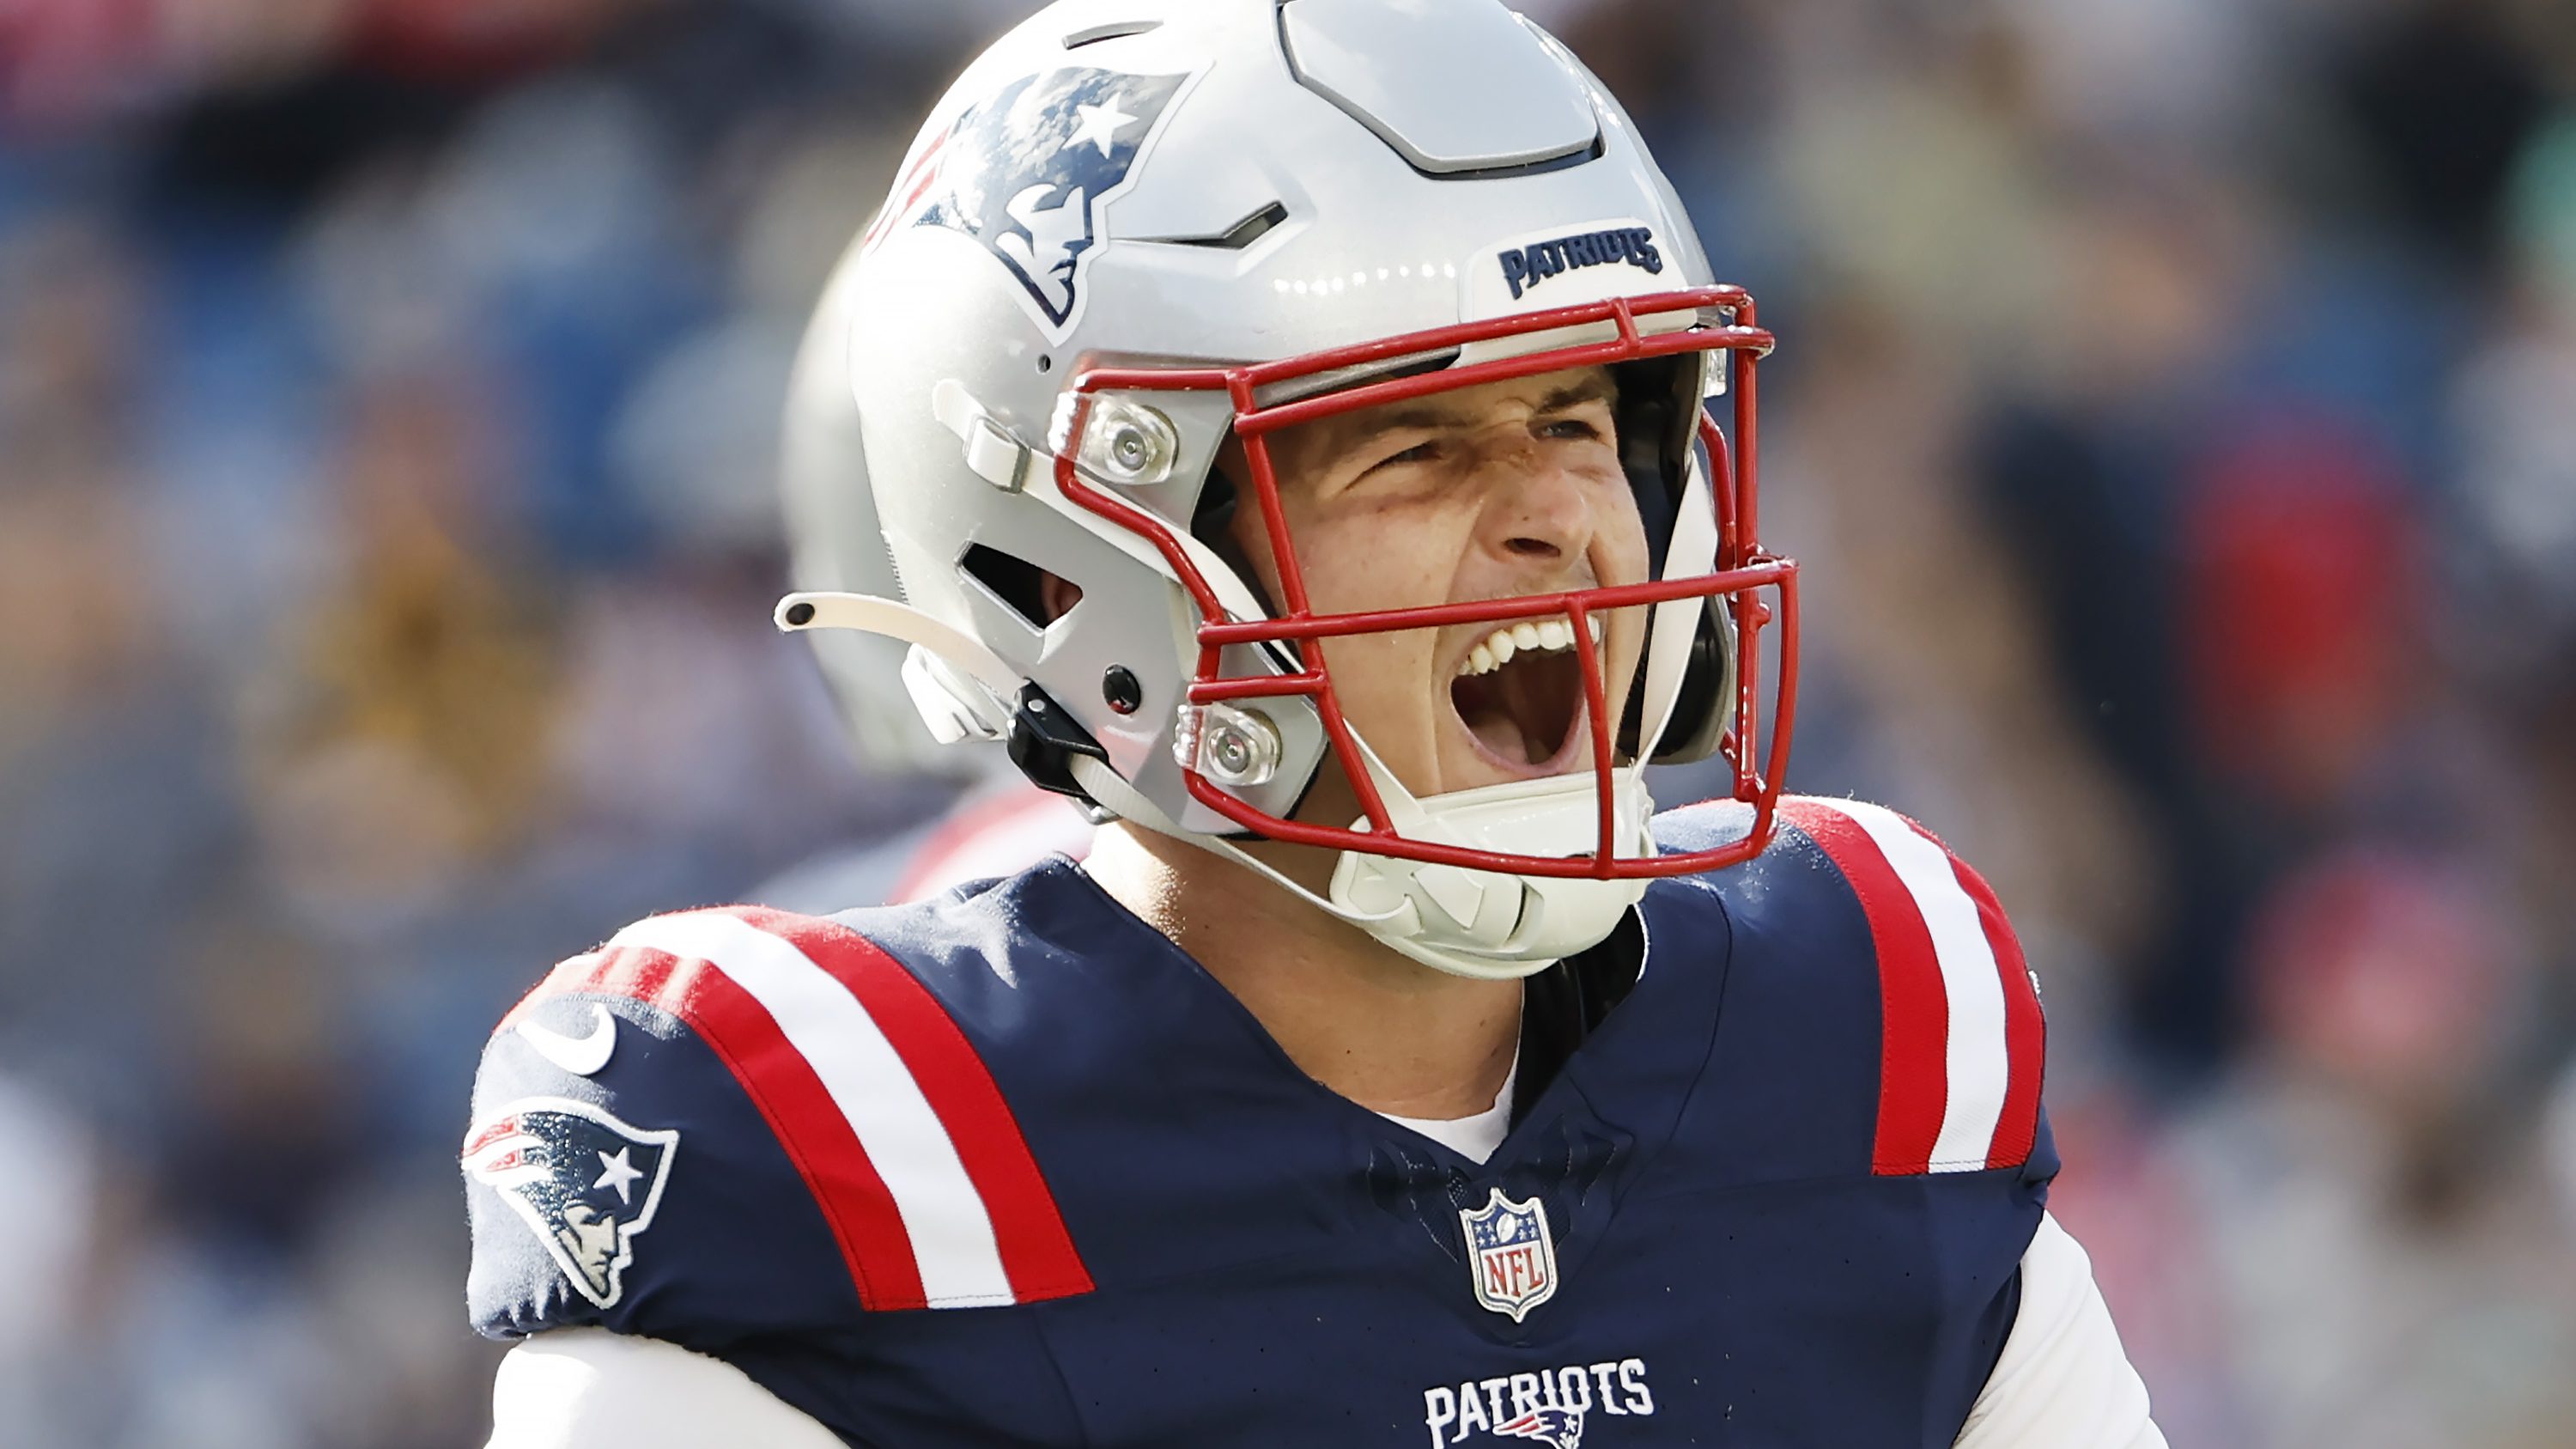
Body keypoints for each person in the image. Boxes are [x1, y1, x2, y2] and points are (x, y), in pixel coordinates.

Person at [464, 2, 2165, 1444]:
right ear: (1081, 561)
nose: (1555, 517)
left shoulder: (1862, 1018)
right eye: (1410, 444)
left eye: (1582, 417)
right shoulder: (843, 1156)